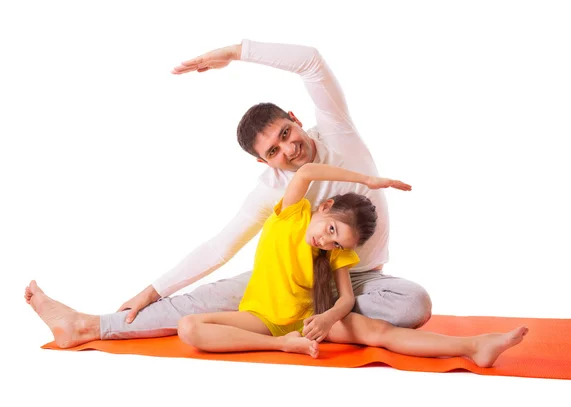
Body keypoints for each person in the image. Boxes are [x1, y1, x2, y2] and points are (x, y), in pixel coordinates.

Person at [24, 39, 432, 349]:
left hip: (358, 280)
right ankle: (87, 326)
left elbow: (311, 61)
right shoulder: (272, 189)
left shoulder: (339, 133)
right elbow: (220, 247)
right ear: (263, 162)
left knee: (412, 304)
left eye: (286, 134)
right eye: (273, 151)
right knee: (205, 300)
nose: (289, 150)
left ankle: (305, 319)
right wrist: (153, 289)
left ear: (295, 118)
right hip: (287, 281)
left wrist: (234, 53)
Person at [177, 163, 529, 367]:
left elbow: (344, 299)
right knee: (189, 328)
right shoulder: (289, 214)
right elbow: (307, 170)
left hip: (307, 321)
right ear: (324, 206)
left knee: (381, 334)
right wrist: (366, 180)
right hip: (262, 319)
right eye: (331, 230)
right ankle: (284, 346)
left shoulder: (335, 253)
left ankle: (475, 346)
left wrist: (327, 319)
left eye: (336, 242)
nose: (327, 242)